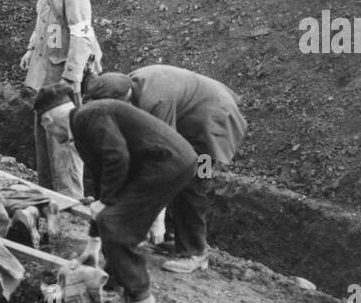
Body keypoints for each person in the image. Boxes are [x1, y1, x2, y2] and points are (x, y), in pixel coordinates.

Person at [34, 89, 197, 303]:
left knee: (114, 222)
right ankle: (114, 282)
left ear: (47, 121)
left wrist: (107, 202)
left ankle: (139, 298)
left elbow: (116, 157)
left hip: (165, 164)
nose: (49, 134)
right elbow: (103, 179)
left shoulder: (87, 118)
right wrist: (92, 243)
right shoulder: (84, 124)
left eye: (46, 129)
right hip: (164, 163)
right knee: (111, 218)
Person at [84, 67, 247, 273]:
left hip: (213, 126)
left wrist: (156, 218)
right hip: (189, 118)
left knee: (195, 181)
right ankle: (170, 236)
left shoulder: (157, 102)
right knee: (181, 174)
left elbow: (164, 155)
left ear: (122, 100)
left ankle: (195, 253)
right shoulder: (128, 84)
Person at [19, 0, 102, 198]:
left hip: (62, 86)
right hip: (45, 80)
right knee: (45, 153)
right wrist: (32, 48)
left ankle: (71, 211)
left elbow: (82, 34)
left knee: (65, 153)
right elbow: (45, 21)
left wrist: (70, 80)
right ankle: (48, 204)